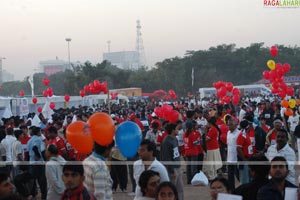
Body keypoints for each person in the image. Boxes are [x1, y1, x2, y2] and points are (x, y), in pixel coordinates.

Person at [160, 123, 184, 200]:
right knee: (171, 190)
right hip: (172, 169)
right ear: (173, 130)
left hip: (178, 167)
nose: (178, 131)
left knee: (180, 189)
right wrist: (171, 170)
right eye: (177, 129)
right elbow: (166, 157)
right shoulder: (166, 141)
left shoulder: (175, 139)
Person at [27, 126, 47, 200]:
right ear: (38, 132)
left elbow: (28, 151)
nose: (41, 133)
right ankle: (43, 198)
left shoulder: (29, 140)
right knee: (42, 183)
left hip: (31, 163)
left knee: (33, 183)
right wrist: (38, 155)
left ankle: (33, 197)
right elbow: (35, 147)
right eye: (40, 132)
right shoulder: (38, 139)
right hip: (39, 164)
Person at [226, 118, 240, 190]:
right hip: (229, 158)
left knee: (238, 175)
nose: (229, 127)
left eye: (231, 125)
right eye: (228, 125)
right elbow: (228, 144)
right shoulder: (228, 133)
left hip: (236, 158)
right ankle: (232, 190)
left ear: (235, 125)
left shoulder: (238, 134)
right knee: (230, 176)